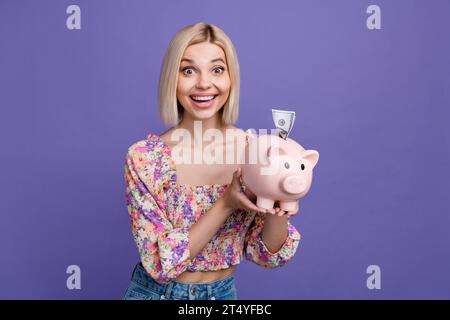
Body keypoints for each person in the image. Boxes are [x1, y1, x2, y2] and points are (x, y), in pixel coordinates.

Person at [123, 22, 301, 300]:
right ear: (173, 78)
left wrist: (277, 205)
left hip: (223, 295)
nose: (204, 83)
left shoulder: (252, 151)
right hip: (157, 294)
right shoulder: (145, 158)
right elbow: (160, 263)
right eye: (188, 70)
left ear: (231, 78)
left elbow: (268, 256)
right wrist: (226, 203)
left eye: (217, 69)